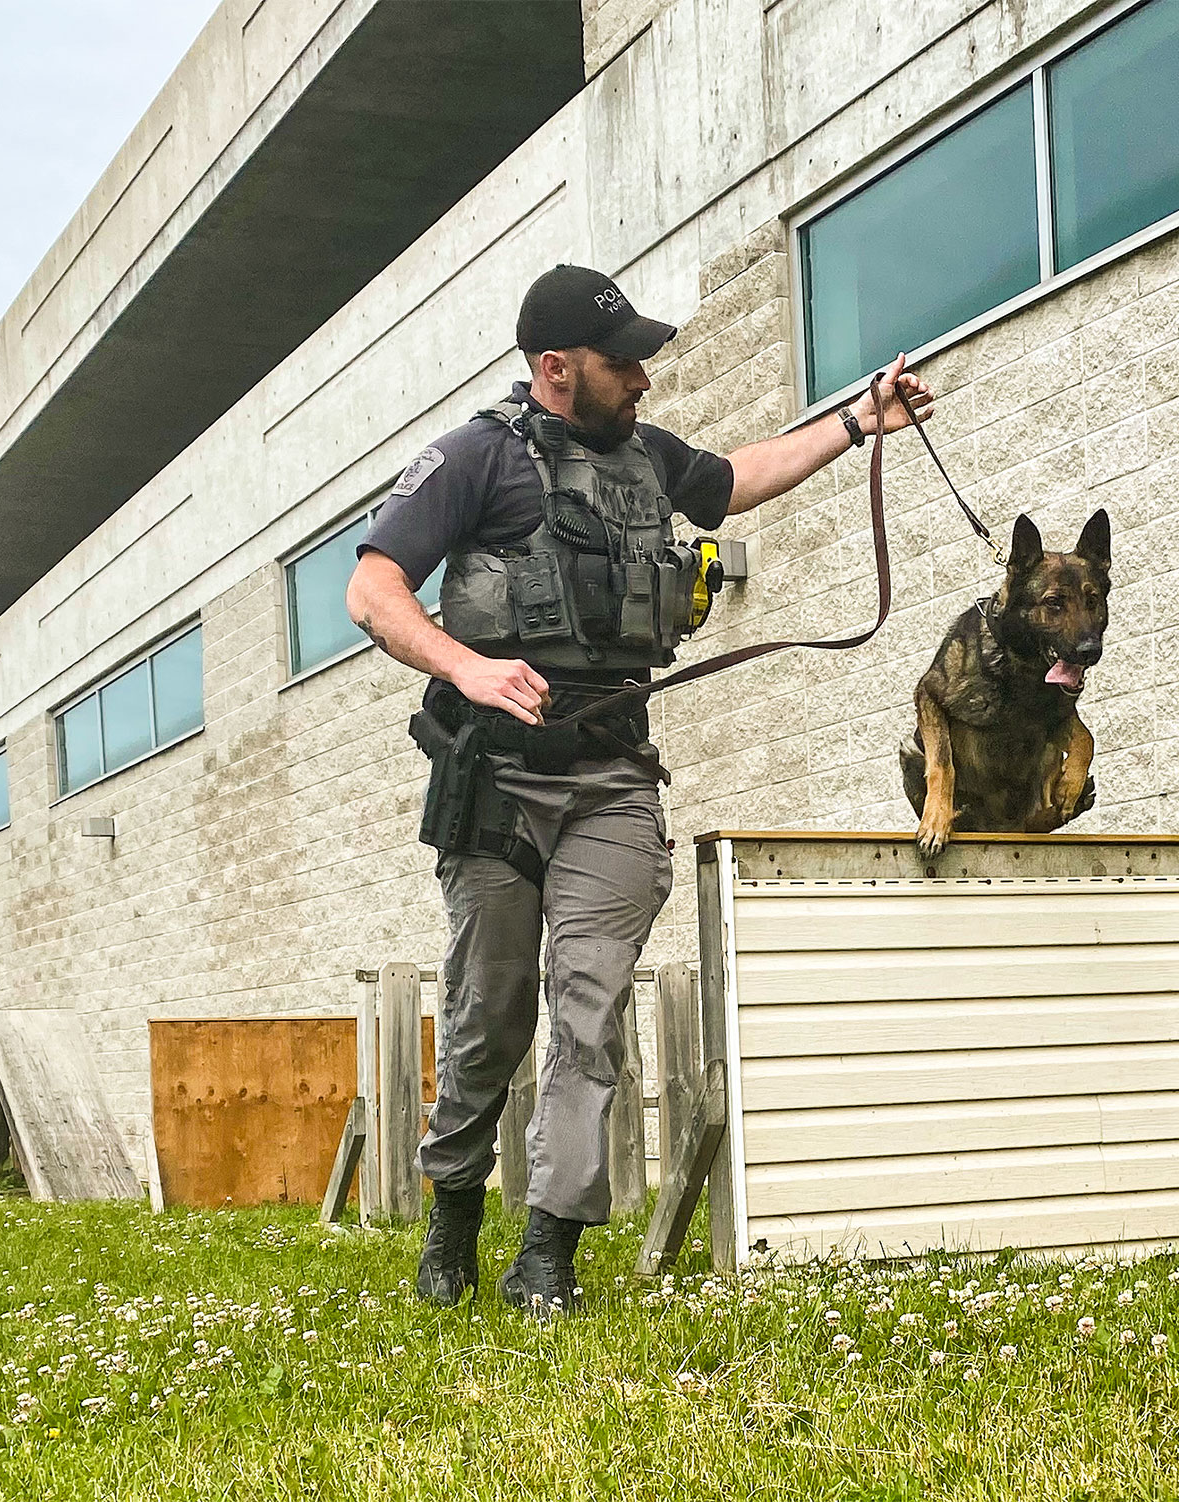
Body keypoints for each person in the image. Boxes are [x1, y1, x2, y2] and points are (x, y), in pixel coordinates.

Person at [346, 264, 932, 1315]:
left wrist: (859, 421)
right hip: (497, 785)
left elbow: (740, 474)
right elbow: (371, 587)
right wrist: (466, 666)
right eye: (625, 363)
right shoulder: (476, 456)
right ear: (557, 368)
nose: (644, 381)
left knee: (590, 1010)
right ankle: (453, 1213)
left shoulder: (644, 458)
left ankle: (548, 1252)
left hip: (613, 779)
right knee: (488, 1017)